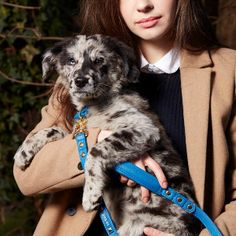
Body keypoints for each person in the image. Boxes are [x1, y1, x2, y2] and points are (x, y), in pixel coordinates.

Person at [13, 0, 236, 235]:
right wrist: (101, 143)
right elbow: (26, 175)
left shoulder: (228, 72)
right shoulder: (78, 75)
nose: (144, 5)